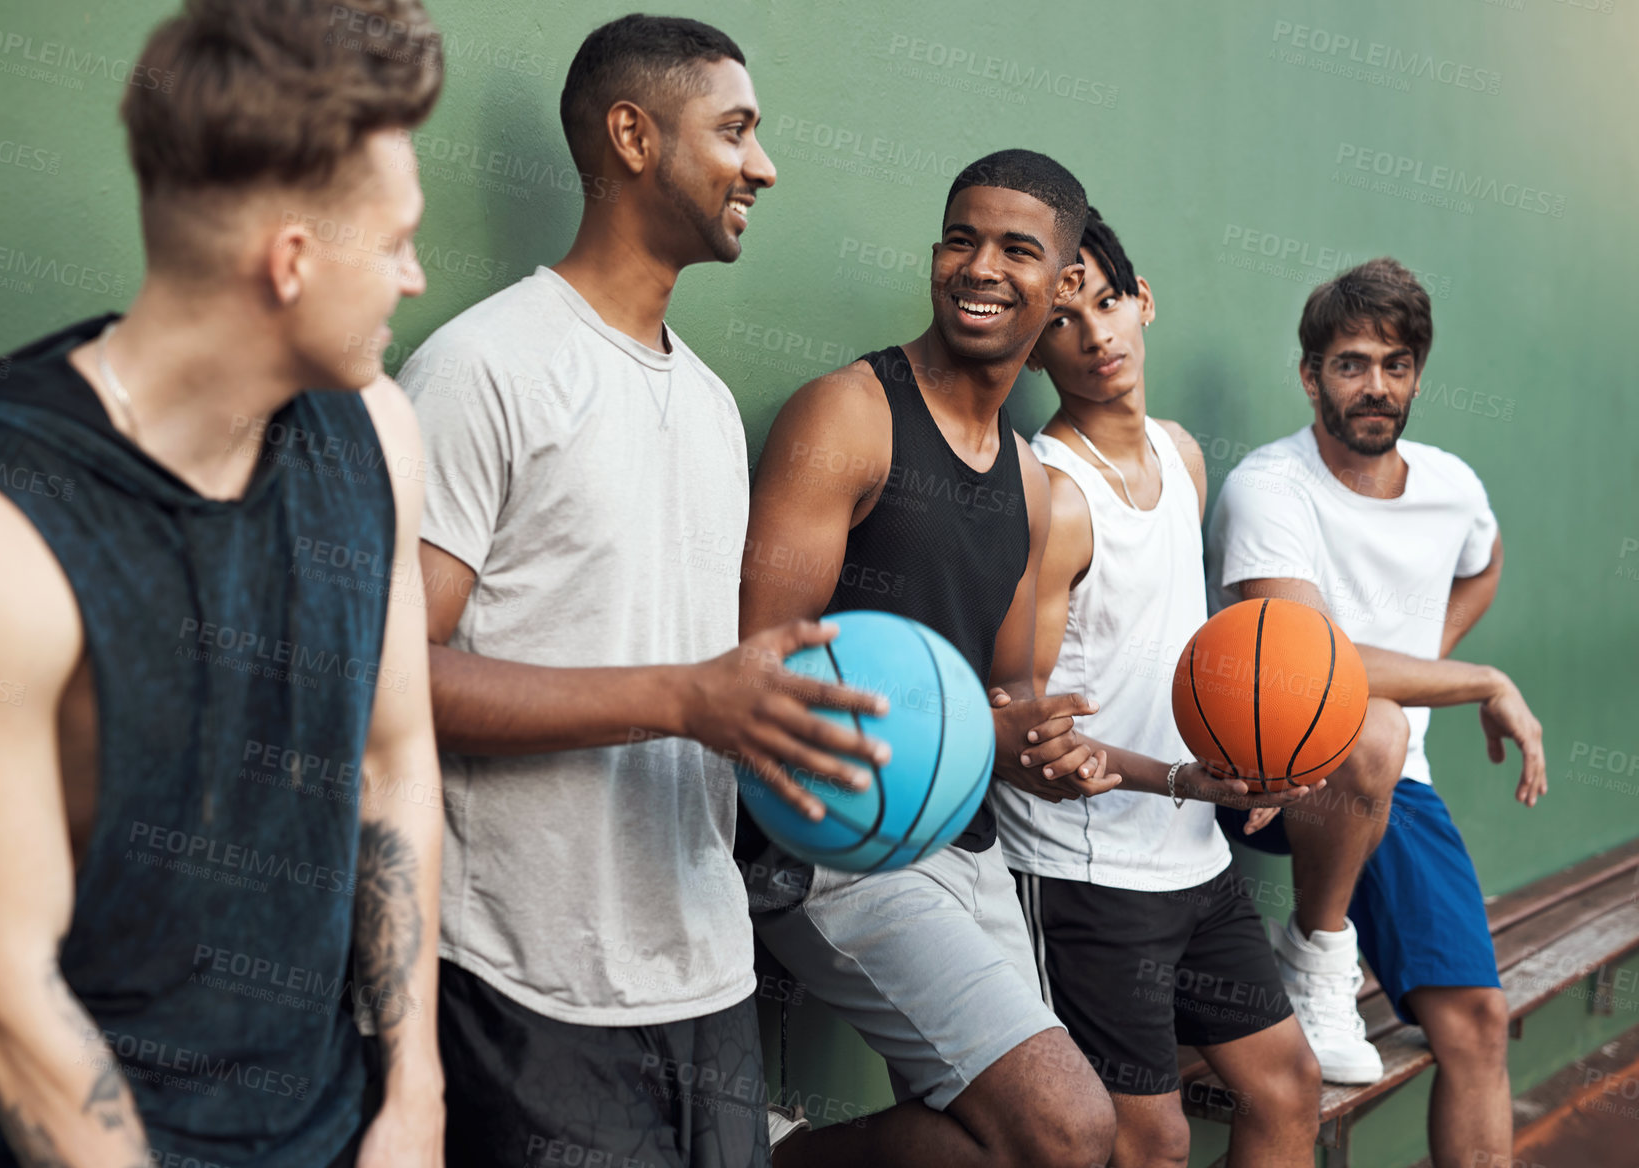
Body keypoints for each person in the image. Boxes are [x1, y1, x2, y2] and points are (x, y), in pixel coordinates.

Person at [0, 2, 449, 1165]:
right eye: (400, 237)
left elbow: (391, 757)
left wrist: (414, 1095)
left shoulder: (377, 433)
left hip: (327, 1125)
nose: (417, 277)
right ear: (293, 260)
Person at [399, 15, 887, 1167]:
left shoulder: (713, 407)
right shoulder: (482, 369)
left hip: (709, 971)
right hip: (529, 983)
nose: (760, 165)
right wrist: (684, 697)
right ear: (631, 135)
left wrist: (781, 729)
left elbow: (704, 676)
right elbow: (390, 678)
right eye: (733, 130)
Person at [738, 148, 1119, 1168]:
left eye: (1014, 248)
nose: (978, 266)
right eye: (960, 238)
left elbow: (1009, 695)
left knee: (988, 1151)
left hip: (969, 843)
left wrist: (1044, 746)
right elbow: (757, 674)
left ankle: (777, 1154)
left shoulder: (1034, 487)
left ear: (1065, 282)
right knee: (1070, 1131)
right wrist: (959, 729)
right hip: (841, 842)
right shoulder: (849, 416)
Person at [993, 208, 1323, 1167]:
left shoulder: (1181, 456)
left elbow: (1183, 648)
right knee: (1151, 1139)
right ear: (1034, 348)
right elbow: (1029, 734)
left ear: (1144, 302)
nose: (1095, 336)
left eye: (1107, 303)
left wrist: (1255, 757)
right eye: (1062, 321)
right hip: (1088, 877)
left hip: (1195, 861)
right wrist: (1184, 782)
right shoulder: (1055, 494)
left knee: (1287, 1085)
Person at [1206, 257, 1547, 1165]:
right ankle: (1319, 954)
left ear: (1418, 376)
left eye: (1396, 365)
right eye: (1352, 363)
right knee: (1374, 726)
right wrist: (1478, 678)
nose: (1376, 386)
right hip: (1261, 768)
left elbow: (1486, 556)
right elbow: (1317, 672)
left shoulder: (1450, 487)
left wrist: (1431, 653)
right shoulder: (1269, 489)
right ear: (1311, 373)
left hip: (1392, 778)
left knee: (1478, 1022)